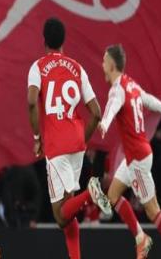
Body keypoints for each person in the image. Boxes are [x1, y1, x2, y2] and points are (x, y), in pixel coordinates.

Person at [98, 44, 161, 259]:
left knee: (152, 210)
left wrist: (104, 123)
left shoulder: (117, 89)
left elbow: (112, 106)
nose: (102, 65)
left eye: (104, 61)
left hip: (137, 160)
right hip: (136, 155)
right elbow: (146, 98)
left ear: (111, 65)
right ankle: (141, 238)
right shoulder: (130, 83)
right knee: (112, 196)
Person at [27, 17, 111, 259]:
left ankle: (90, 193)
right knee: (69, 213)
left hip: (56, 146)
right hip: (76, 143)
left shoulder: (38, 67)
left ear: (44, 40)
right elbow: (96, 112)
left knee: (60, 216)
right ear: (63, 41)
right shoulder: (77, 68)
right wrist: (82, 140)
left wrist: (36, 137)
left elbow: (31, 102)